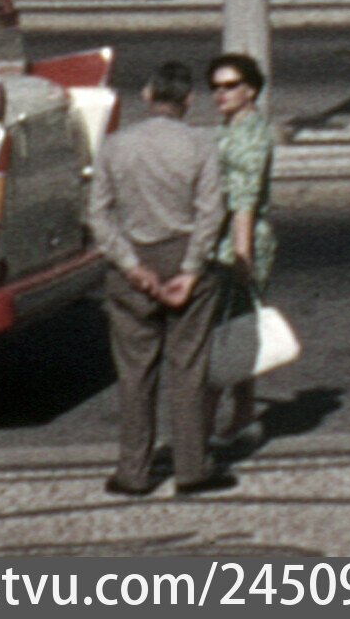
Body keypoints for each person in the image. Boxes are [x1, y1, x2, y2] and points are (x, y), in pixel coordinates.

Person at [84, 60, 230, 499]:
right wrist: (191, 269)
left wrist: (131, 265)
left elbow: (98, 215)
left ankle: (133, 471)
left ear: (147, 96)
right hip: (184, 253)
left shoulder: (114, 145)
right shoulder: (201, 144)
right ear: (189, 99)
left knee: (134, 373)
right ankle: (192, 467)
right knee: (189, 368)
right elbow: (211, 213)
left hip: (134, 260)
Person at [205, 51, 275, 456]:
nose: (221, 93)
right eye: (216, 87)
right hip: (223, 237)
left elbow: (244, 201)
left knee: (221, 331)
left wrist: (242, 256)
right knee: (237, 332)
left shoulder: (250, 134)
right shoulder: (230, 126)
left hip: (237, 241)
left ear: (251, 89)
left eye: (231, 86)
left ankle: (202, 426)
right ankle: (243, 415)